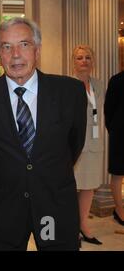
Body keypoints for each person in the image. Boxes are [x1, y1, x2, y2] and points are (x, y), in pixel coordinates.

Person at [0, 17, 87, 251]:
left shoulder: (69, 92)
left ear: (37, 50)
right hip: (6, 207)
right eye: (6, 47)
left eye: (24, 44)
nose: (15, 55)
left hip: (54, 205)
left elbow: (74, 144)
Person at [72, 45, 104, 245]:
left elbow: (98, 114)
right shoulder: (67, 85)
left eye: (88, 57)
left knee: (89, 187)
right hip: (76, 144)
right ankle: (71, 228)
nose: (84, 61)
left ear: (93, 61)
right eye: (79, 58)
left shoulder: (99, 85)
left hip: (94, 142)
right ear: (73, 62)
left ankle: (83, 224)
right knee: (72, 187)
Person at [104, 70, 124, 227]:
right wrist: (115, 129)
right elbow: (108, 110)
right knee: (118, 172)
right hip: (120, 133)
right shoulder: (117, 80)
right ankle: (119, 209)